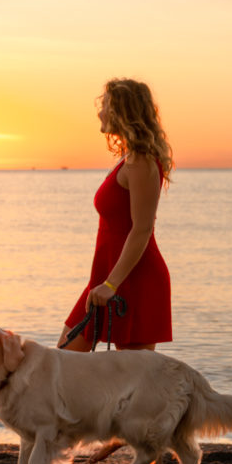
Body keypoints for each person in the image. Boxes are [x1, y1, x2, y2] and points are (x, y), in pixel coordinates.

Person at [58, 78, 173, 352]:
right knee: (62, 366)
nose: (100, 112)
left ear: (123, 112)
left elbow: (142, 229)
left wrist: (112, 284)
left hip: (132, 279)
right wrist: (105, 282)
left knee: (132, 386)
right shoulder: (130, 159)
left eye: (106, 106)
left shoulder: (142, 161)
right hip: (107, 277)